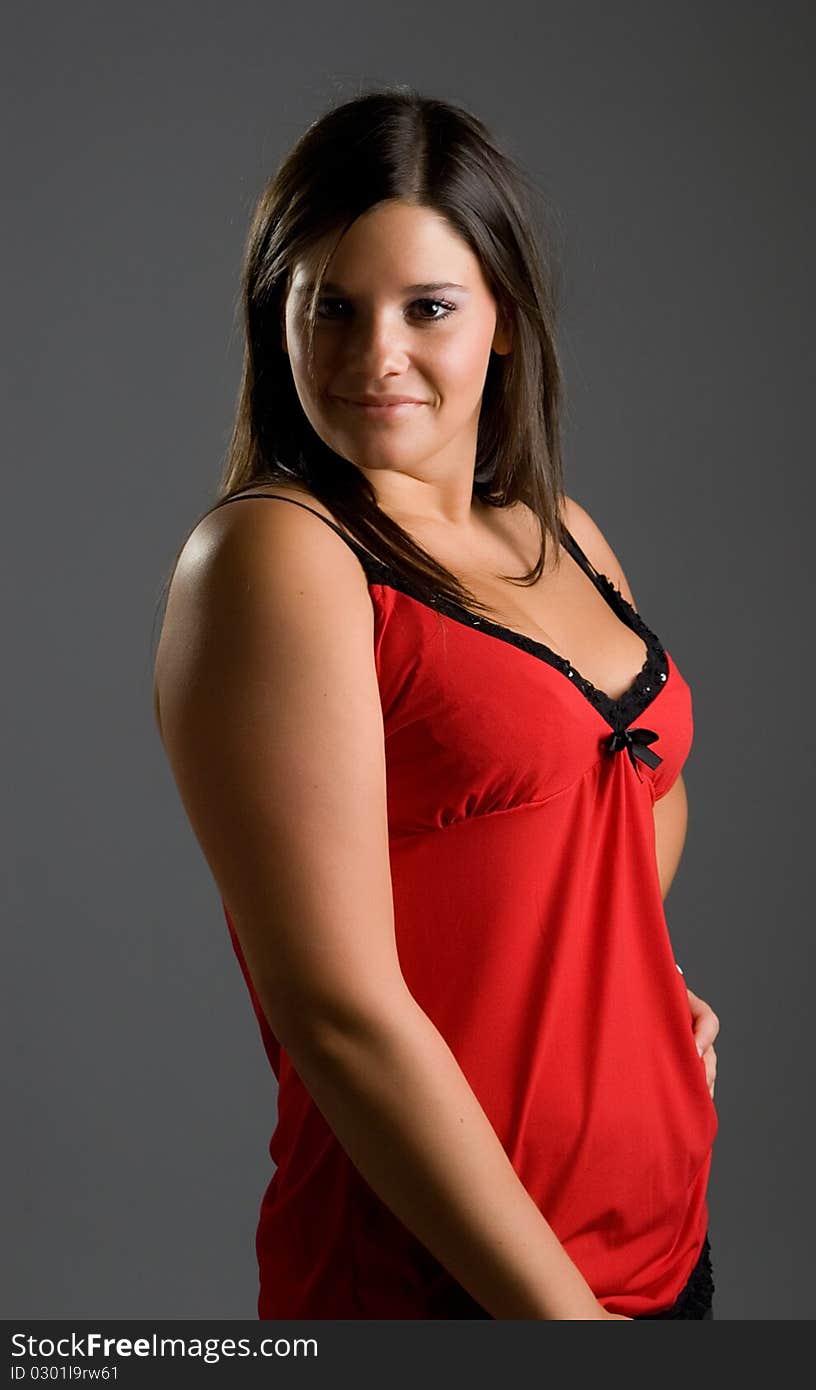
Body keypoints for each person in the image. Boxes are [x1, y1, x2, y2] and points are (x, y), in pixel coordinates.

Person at [151, 86, 721, 1320]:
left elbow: (623, 803)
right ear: (278, 318)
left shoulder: (561, 536)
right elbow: (339, 1010)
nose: (375, 358)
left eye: (429, 308)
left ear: (504, 320)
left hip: (658, 1245)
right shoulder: (281, 557)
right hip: (453, 1280)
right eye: (331, 309)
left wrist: (635, 997)